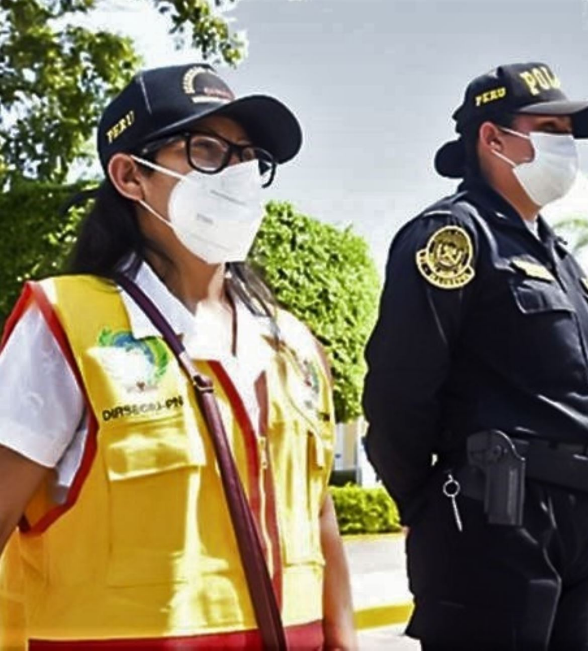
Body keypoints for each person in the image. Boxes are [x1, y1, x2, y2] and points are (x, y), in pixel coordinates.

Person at [0, 63, 356, 649]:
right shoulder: (66, 326)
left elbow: (318, 519)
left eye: (248, 157)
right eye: (207, 149)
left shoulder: (292, 343)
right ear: (130, 176)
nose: (236, 174)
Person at [363, 61, 588, 651]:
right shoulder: (453, 237)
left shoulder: (559, 256)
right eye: (551, 128)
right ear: (493, 138)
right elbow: (398, 392)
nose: (567, 146)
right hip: (497, 517)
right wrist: (429, 501)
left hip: (582, 518)